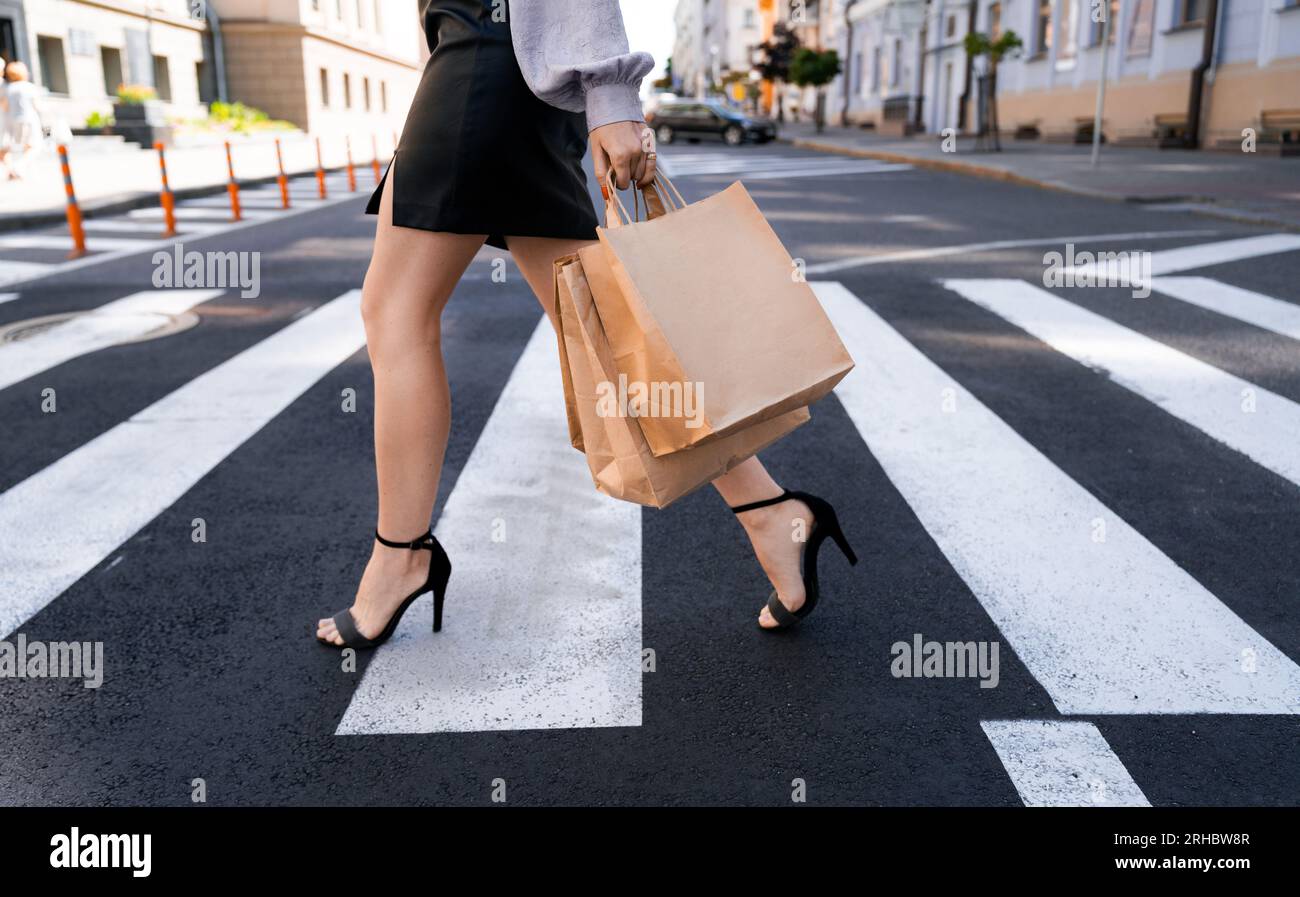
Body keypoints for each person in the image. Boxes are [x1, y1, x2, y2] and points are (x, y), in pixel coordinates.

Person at [314, 0, 856, 648]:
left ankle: (402, 555)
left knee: (397, 311)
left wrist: (610, 88)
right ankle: (772, 513)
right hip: (500, 60)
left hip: (487, 52)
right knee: (611, 334)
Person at [3, 61, 42, 180]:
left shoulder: (8, 88)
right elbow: (38, 106)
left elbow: (5, 107)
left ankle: (25, 172)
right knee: (36, 146)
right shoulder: (29, 87)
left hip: (15, 122)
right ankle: (19, 167)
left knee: (24, 146)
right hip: (30, 120)